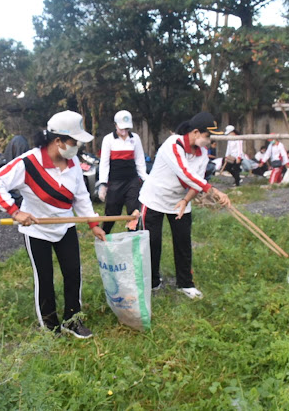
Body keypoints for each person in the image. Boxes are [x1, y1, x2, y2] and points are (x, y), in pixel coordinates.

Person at [0, 110, 106, 339]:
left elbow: (81, 197)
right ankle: (50, 327)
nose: (77, 147)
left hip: (65, 226)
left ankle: (72, 321)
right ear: (57, 140)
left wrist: (93, 225)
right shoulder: (29, 163)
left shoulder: (73, 165)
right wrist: (15, 211)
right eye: (74, 141)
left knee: (73, 273)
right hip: (36, 229)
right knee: (45, 278)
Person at [139, 112, 230, 300]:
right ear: (196, 132)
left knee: (183, 242)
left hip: (179, 201)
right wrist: (214, 191)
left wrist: (186, 200)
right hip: (154, 198)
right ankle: (153, 281)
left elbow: (196, 181)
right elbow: (185, 173)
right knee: (152, 242)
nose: (209, 141)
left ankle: (185, 283)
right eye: (208, 136)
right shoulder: (173, 145)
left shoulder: (202, 154)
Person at [97, 110, 147, 234]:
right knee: (112, 212)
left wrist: (146, 179)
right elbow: (104, 163)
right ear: (115, 125)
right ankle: (104, 235)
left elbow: (140, 160)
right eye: (121, 128)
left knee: (133, 212)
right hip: (115, 182)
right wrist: (103, 184)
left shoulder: (135, 138)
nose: (124, 132)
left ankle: (134, 238)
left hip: (132, 181)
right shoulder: (108, 139)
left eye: (127, 129)